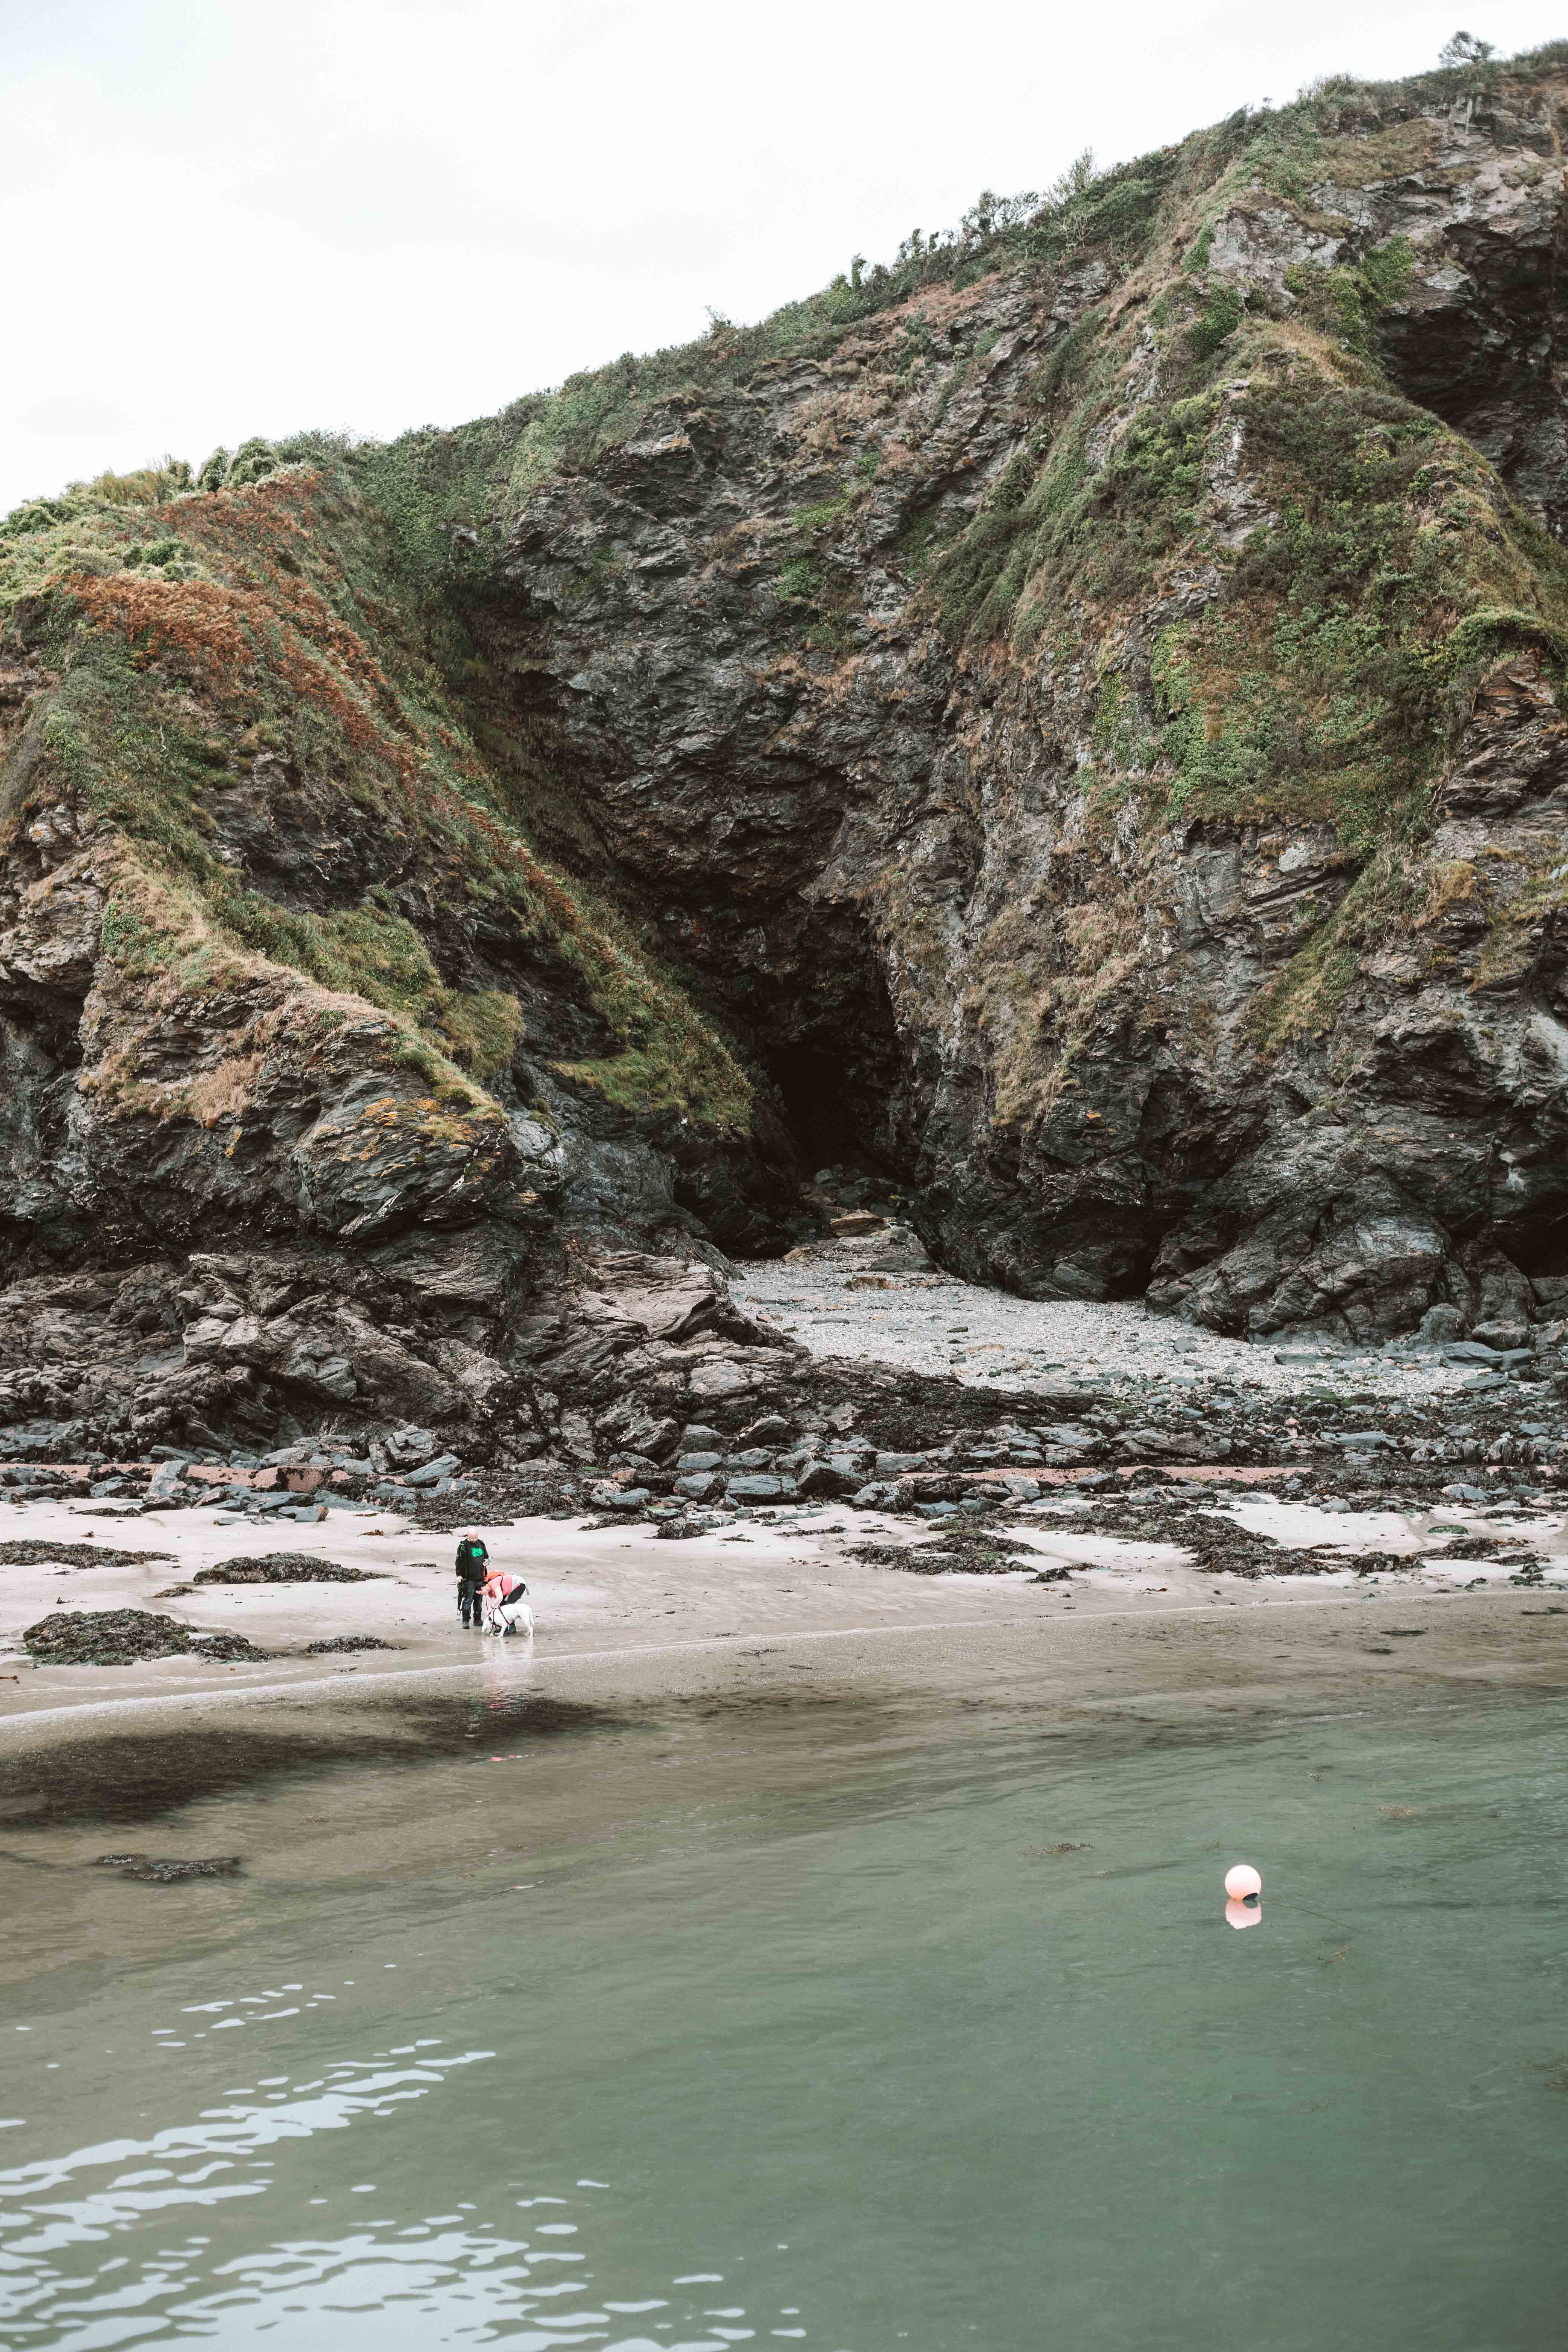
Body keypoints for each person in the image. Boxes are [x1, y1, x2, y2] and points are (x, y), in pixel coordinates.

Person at [481, 1565, 533, 1638]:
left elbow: (500, 1598)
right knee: (502, 1607)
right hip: (509, 1589)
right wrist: (492, 1611)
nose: (482, 1595)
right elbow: (498, 1605)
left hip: (519, 1584)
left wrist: (491, 1608)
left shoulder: (493, 1584)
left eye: (481, 1593)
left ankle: (512, 1628)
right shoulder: (490, 1593)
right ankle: (504, 1627)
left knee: (509, 1605)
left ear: (483, 1588)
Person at [455, 1530, 489, 1627]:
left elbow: (486, 1557)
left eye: (476, 1538)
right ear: (468, 1536)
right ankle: (465, 1621)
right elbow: (458, 1562)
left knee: (479, 1601)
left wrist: (487, 1561)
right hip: (469, 1579)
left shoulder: (481, 1543)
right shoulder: (463, 1546)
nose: (474, 1540)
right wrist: (459, 1575)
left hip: (481, 1578)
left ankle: (477, 1620)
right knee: (468, 1601)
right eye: (472, 1538)